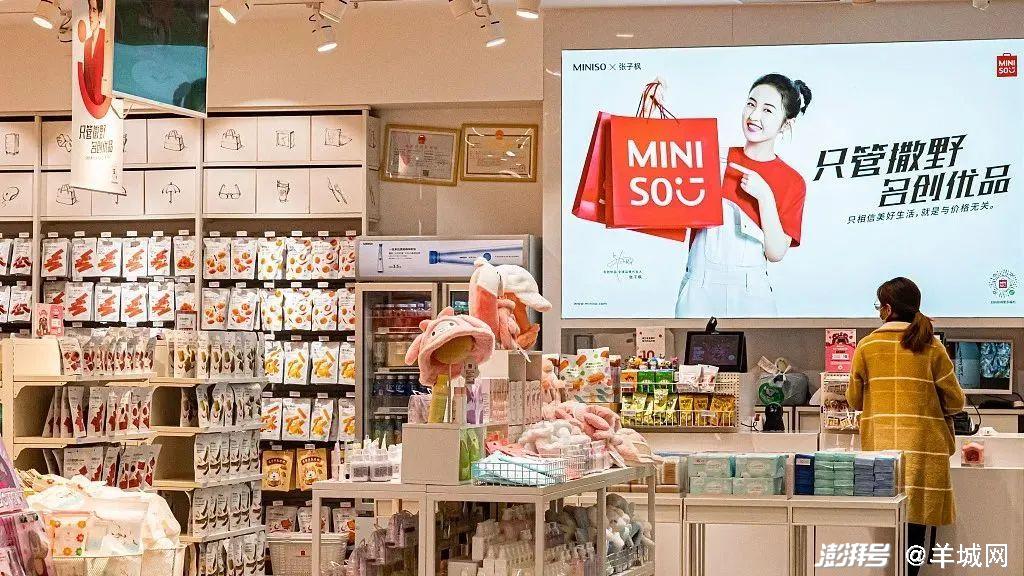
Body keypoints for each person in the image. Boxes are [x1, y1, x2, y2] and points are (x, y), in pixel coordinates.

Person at [847, 277, 966, 576]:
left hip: (881, 449)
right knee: (916, 523)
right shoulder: (931, 345)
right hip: (924, 448)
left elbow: (855, 400)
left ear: (887, 309)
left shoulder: (867, 346)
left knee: (892, 517)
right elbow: (956, 401)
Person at [675, 73, 810, 318]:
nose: (754, 116)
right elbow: (660, 170)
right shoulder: (713, 158)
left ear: (785, 123)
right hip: (699, 287)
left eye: (768, 110)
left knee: (757, 345)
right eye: (751, 104)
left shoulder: (792, 181)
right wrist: (651, 113)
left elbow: (776, 253)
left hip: (752, 293)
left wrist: (764, 196)